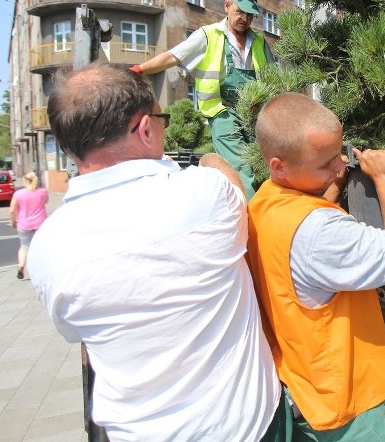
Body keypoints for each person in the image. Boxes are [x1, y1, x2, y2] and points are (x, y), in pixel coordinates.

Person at [26, 63, 286, 441]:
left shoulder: (46, 249)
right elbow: (235, 191)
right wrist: (211, 160)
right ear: (146, 129)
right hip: (246, 426)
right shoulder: (205, 195)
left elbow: (74, 333)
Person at [247, 92, 385, 441]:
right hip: (350, 410)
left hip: (304, 389)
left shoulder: (263, 203)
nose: (341, 165)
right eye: (324, 163)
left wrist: (326, 189)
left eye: (339, 153)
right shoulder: (320, 233)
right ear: (279, 166)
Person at [132, 0, 275, 200]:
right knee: (242, 168)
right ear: (227, 6)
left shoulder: (259, 41)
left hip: (255, 115)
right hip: (222, 111)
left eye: (250, 14)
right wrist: (139, 69)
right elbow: (173, 56)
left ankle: (266, 209)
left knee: (265, 165)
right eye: (240, 12)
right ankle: (254, 219)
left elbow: (273, 78)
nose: (245, 18)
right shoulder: (208, 35)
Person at [9, 171, 49, 280]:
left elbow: (12, 210)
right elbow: (46, 202)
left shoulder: (18, 194)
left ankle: (21, 266)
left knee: (24, 246)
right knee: (41, 246)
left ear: (26, 181)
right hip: (40, 223)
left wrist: (13, 222)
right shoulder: (43, 192)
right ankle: (42, 268)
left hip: (23, 224)